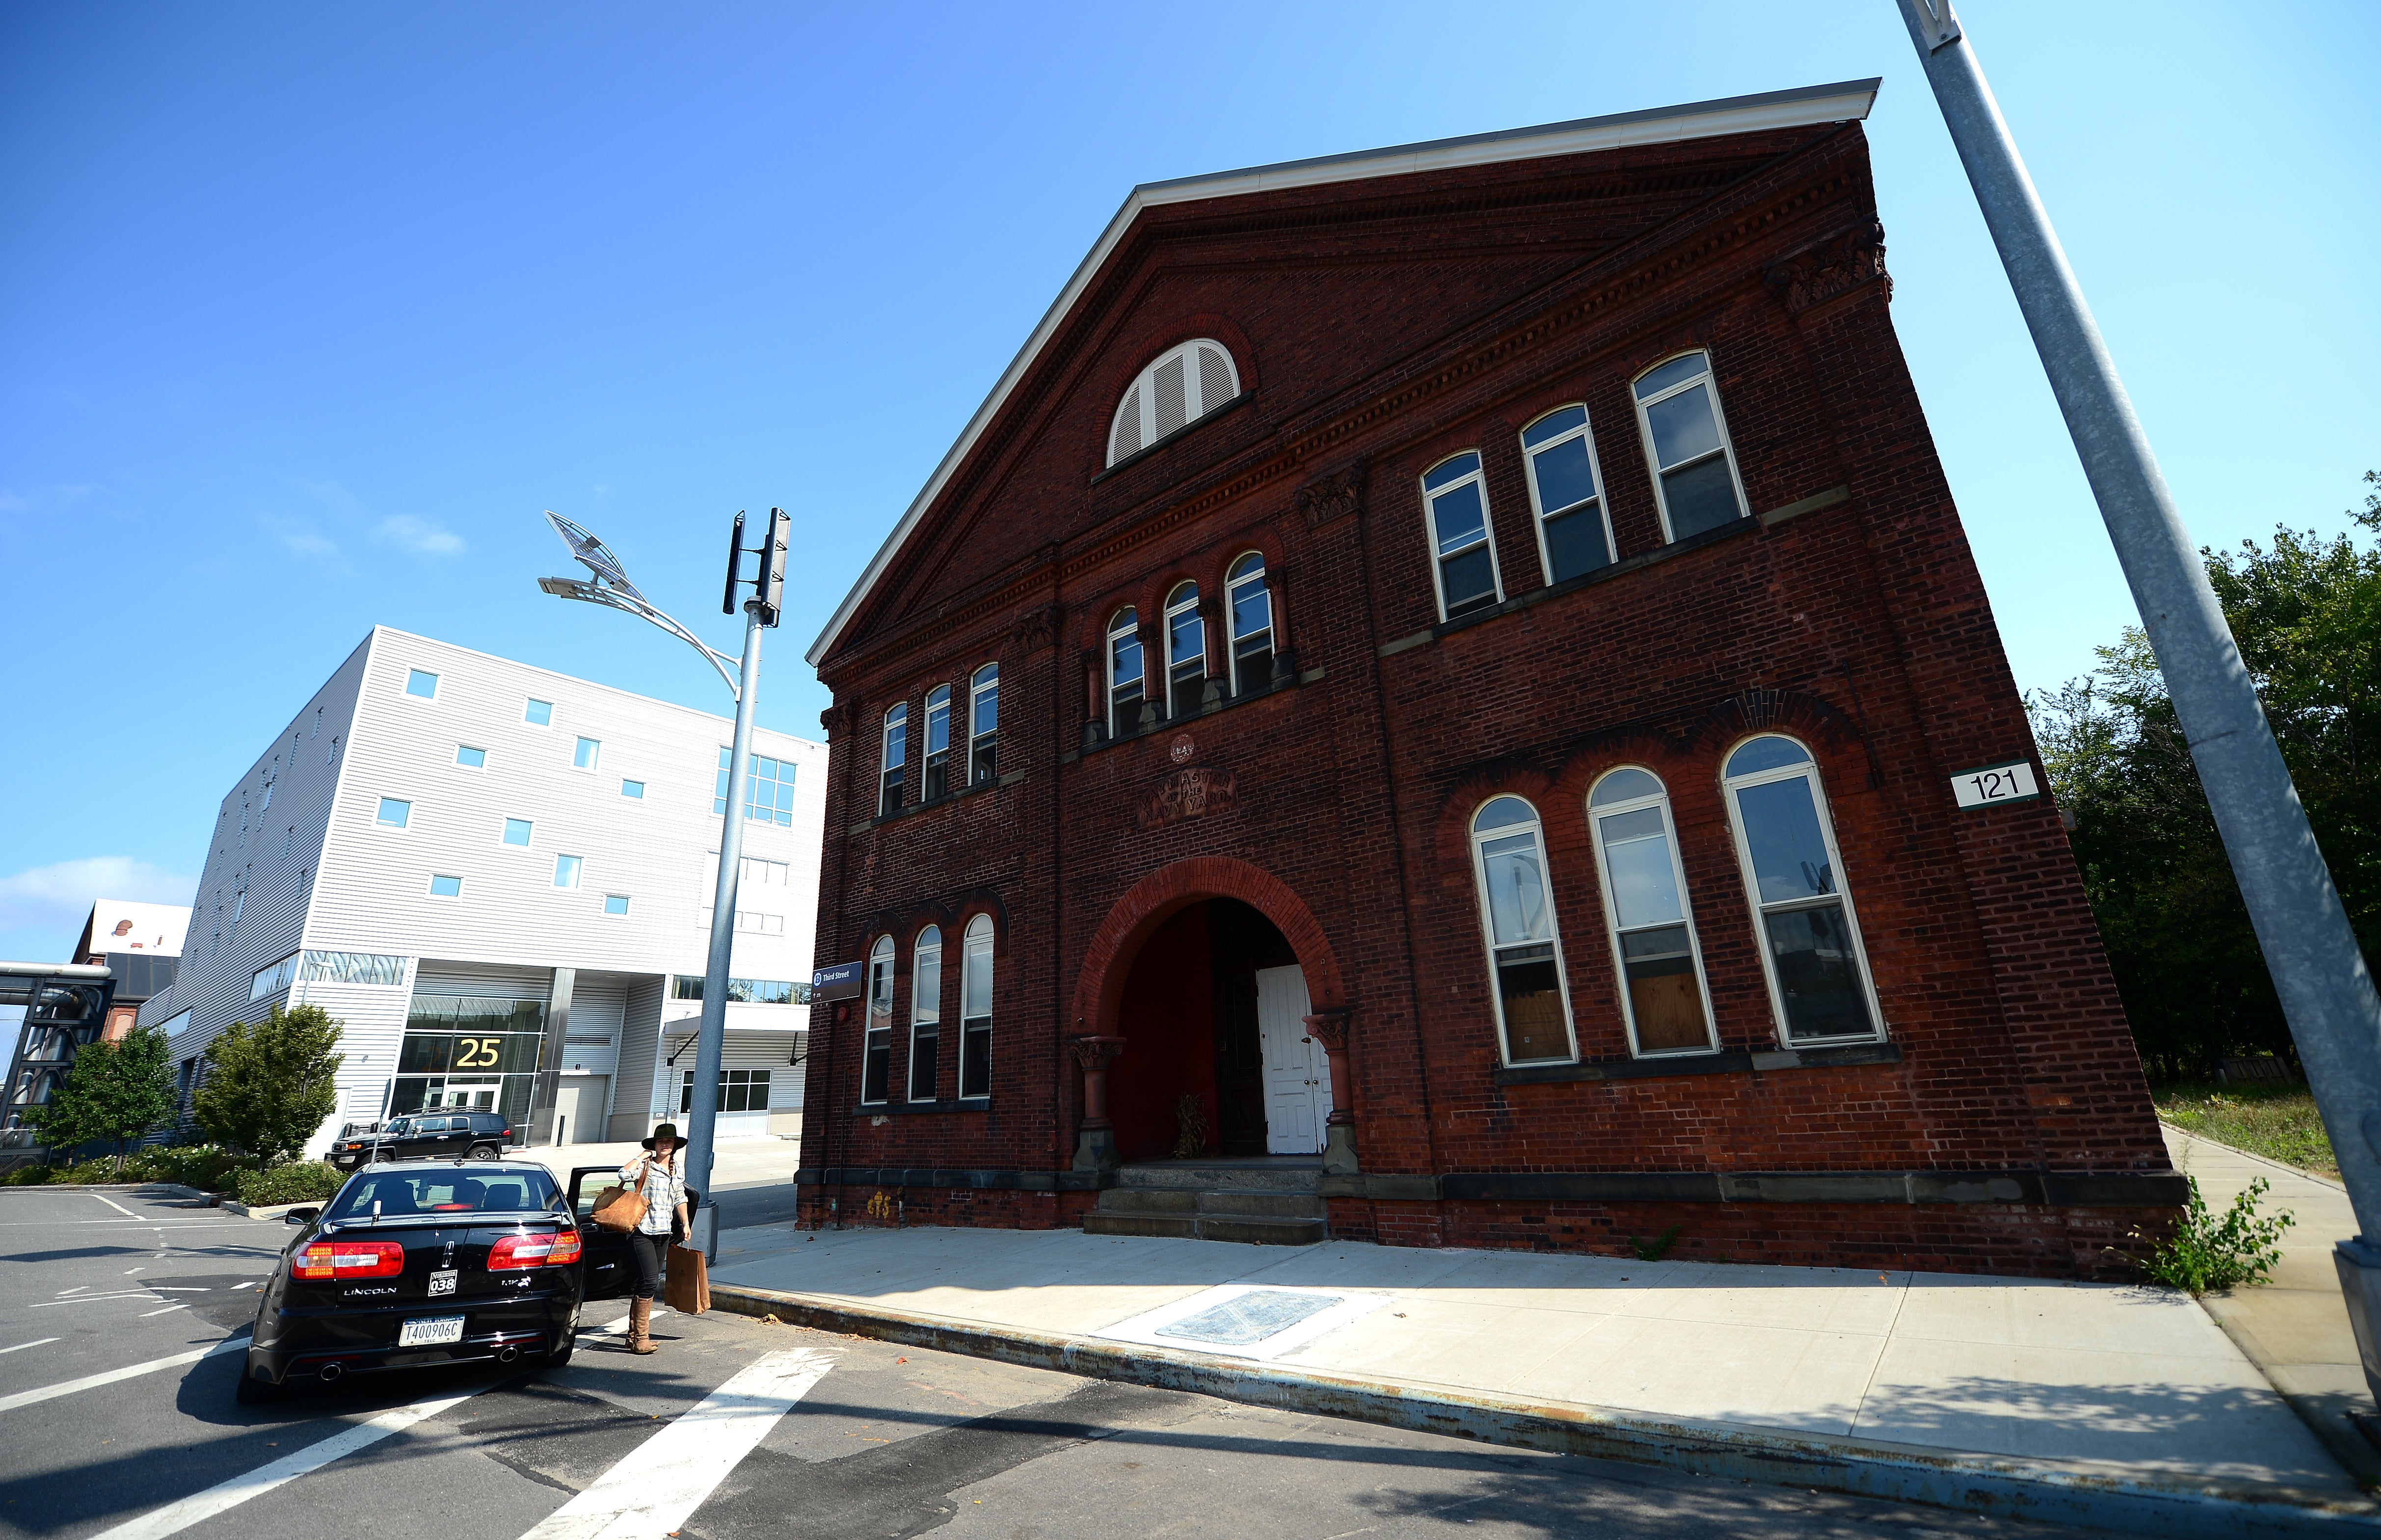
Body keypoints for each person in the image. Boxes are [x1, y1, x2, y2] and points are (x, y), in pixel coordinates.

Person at [618, 1122, 690, 1354]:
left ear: (675, 1145)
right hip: (641, 1230)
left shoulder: (677, 1168)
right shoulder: (646, 1166)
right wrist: (642, 1155)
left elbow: (680, 1197)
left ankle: (633, 1338)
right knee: (650, 1281)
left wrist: (686, 1224)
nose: (665, 1145)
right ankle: (642, 1338)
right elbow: (623, 1174)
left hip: (664, 1231)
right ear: (655, 1145)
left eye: (669, 1141)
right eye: (661, 1141)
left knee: (646, 1282)